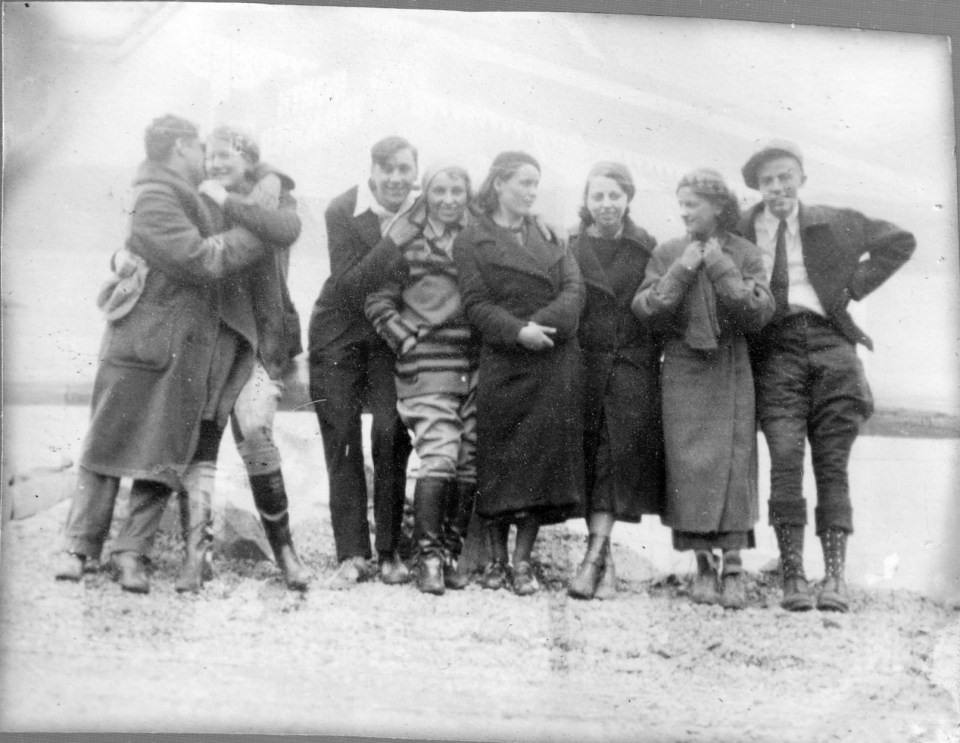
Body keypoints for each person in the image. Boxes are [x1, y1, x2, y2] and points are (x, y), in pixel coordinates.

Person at [52, 114, 275, 593]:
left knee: (163, 452)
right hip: (143, 342)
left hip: (177, 348)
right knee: (107, 442)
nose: (205, 155)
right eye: (198, 145)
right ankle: (79, 547)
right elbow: (203, 259)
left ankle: (132, 552)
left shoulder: (187, 191)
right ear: (177, 148)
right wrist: (258, 234)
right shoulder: (154, 194)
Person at [738, 140, 915, 612]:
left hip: (832, 347)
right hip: (775, 354)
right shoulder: (740, 227)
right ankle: (793, 576)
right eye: (767, 180)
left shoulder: (838, 221)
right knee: (785, 461)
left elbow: (900, 242)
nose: (777, 187)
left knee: (833, 466)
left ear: (801, 178)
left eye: (785, 177)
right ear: (756, 186)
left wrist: (853, 287)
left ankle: (834, 579)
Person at [632, 168, 774, 609]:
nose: (685, 211)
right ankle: (703, 566)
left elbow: (758, 314)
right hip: (681, 367)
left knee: (734, 463)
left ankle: (733, 565)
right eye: (682, 204)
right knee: (687, 465)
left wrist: (718, 264)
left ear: (718, 206)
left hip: (731, 365)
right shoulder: (669, 251)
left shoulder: (746, 253)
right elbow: (646, 309)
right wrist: (683, 267)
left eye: (692, 203)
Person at [453, 151, 584, 597]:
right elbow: (474, 304)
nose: (531, 192)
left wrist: (539, 327)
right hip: (505, 358)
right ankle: (494, 560)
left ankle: (523, 561)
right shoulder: (472, 238)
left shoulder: (551, 235)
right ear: (499, 184)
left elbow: (574, 290)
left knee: (539, 462)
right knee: (499, 457)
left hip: (551, 358)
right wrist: (517, 331)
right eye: (524, 183)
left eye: (536, 184)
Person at [196, 125, 309, 591]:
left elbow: (284, 229)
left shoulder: (272, 199)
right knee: (201, 433)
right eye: (212, 157)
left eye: (228, 156)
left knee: (256, 427)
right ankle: (195, 550)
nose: (218, 164)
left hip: (262, 342)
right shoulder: (200, 198)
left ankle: (285, 552)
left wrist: (227, 197)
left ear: (249, 160)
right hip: (213, 339)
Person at [308, 136, 424, 588]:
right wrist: (392, 241)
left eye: (404, 169)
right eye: (386, 169)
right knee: (340, 433)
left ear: (415, 171)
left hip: (389, 336)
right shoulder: (343, 208)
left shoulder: (424, 209)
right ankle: (352, 553)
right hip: (339, 331)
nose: (395, 178)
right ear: (372, 172)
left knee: (391, 429)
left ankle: (390, 549)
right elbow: (349, 286)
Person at [365, 162, 479, 595]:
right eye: (439, 191)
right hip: (427, 364)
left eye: (457, 191)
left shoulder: (476, 240)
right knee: (441, 453)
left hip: (472, 364)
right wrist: (405, 340)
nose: (449, 200)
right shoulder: (407, 241)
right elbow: (376, 298)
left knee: (469, 456)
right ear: (425, 195)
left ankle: (449, 552)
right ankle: (428, 556)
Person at [566, 162, 665, 601]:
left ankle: (591, 561)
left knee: (612, 463)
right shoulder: (568, 246)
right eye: (598, 196)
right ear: (586, 201)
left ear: (628, 198)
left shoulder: (647, 248)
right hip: (582, 367)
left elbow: (659, 308)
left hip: (628, 367)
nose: (606, 204)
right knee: (587, 462)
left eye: (614, 195)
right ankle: (602, 563)